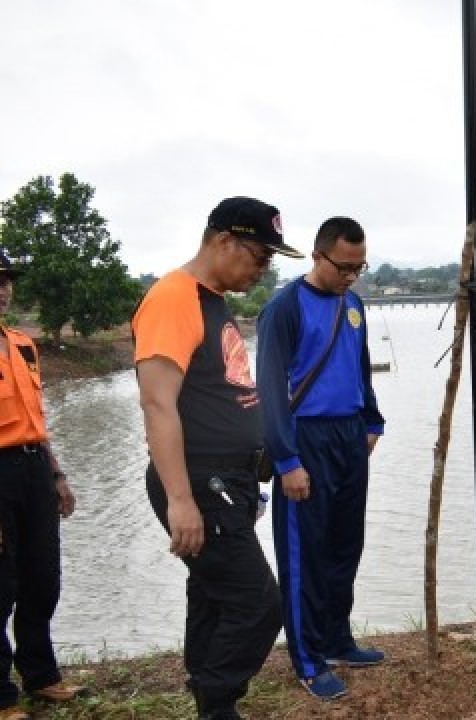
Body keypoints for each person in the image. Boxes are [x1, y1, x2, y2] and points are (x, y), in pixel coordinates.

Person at [133, 197, 298, 720]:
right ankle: (218, 697)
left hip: (228, 481)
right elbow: (158, 403)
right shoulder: (172, 298)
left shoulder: (211, 299)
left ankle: (210, 700)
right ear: (224, 241)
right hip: (201, 482)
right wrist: (182, 500)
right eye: (259, 255)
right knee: (258, 603)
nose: (263, 268)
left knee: (211, 594)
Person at [256, 216, 385, 701]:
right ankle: (306, 658)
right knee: (303, 554)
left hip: (349, 436)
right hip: (305, 438)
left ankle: (337, 639)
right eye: (344, 267)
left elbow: (360, 364)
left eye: (359, 268)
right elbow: (270, 389)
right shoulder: (283, 308)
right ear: (318, 256)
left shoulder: (353, 305)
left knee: (344, 545)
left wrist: (371, 421)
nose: (351, 277)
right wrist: (287, 461)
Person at [0, 251, 84, 720]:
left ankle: (41, 674)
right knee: (0, 583)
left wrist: (57, 474)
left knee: (42, 577)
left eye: (7, 280)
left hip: (33, 468)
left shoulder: (23, 344)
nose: (3, 288)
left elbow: (38, 420)